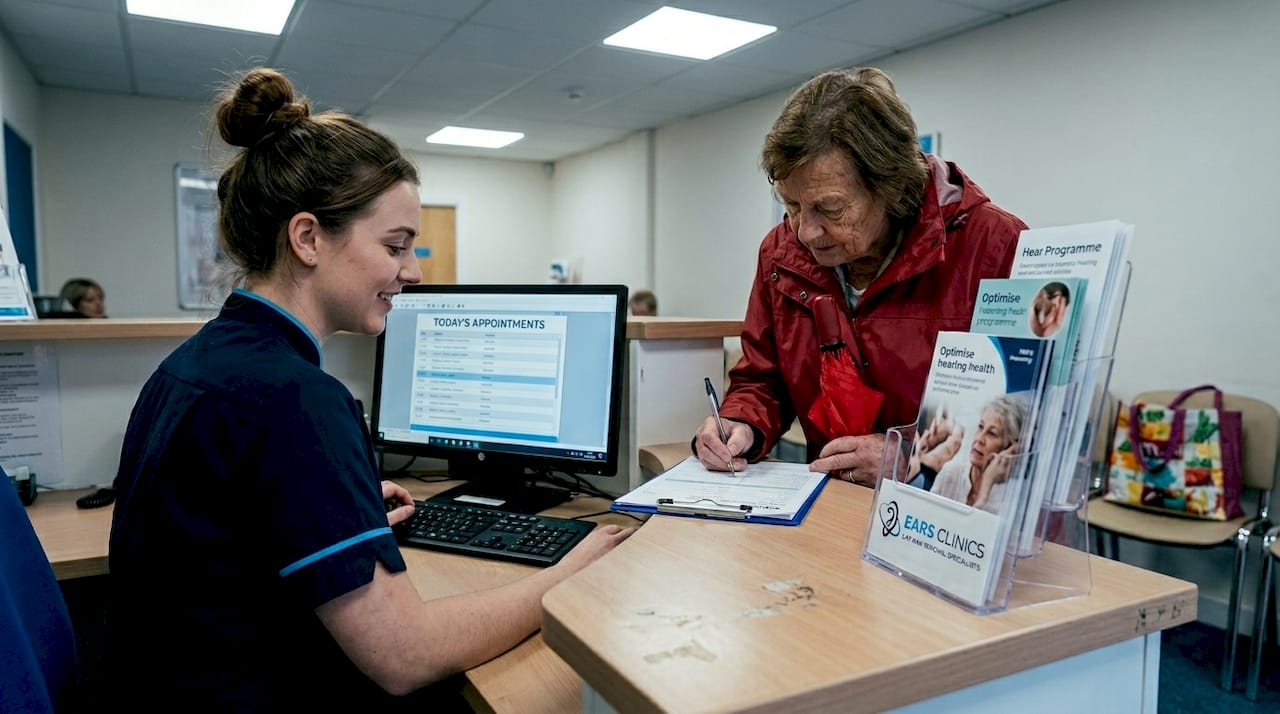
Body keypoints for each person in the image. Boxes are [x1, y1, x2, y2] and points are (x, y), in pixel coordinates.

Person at [105, 68, 633, 710]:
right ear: (308, 238)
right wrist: (566, 574)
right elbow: (403, 657)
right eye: (395, 246)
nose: (411, 272)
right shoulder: (295, 400)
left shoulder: (196, 363)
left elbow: (229, 524)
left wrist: (334, 502)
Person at [692, 67, 1027, 486]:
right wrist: (741, 423)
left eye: (830, 210)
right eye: (791, 205)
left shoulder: (994, 247)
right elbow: (764, 378)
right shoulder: (781, 253)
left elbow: (1021, 423)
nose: (804, 231)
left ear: (892, 186)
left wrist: (909, 457)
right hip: (830, 503)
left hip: (946, 522)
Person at [927, 394, 1027, 514]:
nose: (980, 438)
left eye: (992, 434)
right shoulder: (951, 473)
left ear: (1009, 448)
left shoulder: (1008, 498)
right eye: (980, 427)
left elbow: (976, 530)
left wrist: (987, 484)